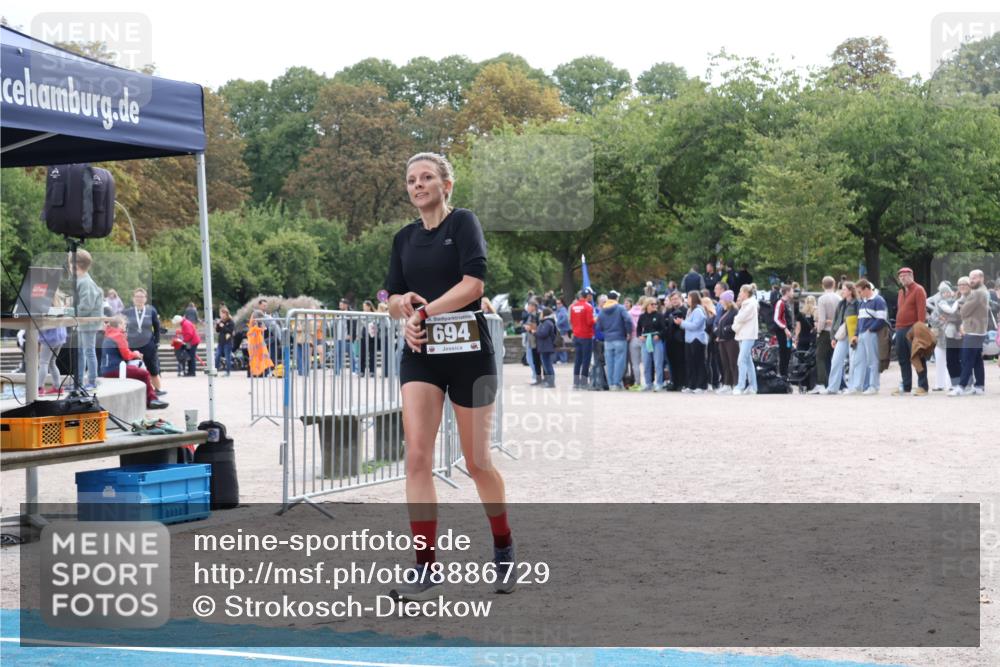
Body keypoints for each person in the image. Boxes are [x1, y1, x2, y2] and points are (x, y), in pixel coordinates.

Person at [384, 151, 513, 601]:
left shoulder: (464, 224)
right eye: (410, 180)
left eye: (426, 178)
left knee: (477, 462)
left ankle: (503, 547)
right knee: (417, 457)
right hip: (421, 354)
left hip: (469, 352)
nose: (417, 185)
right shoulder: (403, 238)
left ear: (446, 185)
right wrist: (400, 305)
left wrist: (423, 310)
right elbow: (390, 293)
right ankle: (425, 566)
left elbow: (473, 286)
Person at [100, 315, 169, 409]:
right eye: (124, 324)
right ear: (119, 324)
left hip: (105, 370)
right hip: (115, 369)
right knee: (144, 374)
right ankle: (152, 400)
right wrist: (136, 354)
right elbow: (127, 355)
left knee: (136, 371)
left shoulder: (108, 334)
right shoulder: (118, 335)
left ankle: (147, 399)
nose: (125, 326)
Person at [70, 249, 104, 390]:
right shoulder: (81, 281)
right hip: (83, 322)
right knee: (81, 352)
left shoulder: (85, 282)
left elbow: (86, 305)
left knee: (88, 351)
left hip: (89, 323)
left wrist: (71, 310)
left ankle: (92, 381)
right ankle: (78, 382)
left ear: (76, 265)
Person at [892, 267, 929, 396]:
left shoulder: (918, 290)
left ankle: (923, 386)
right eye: (901, 276)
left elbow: (921, 311)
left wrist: (919, 329)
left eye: (906, 276)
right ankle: (906, 385)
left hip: (913, 328)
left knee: (917, 357)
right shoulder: (901, 292)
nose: (903, 278)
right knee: (902, 358)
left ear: (912, 276)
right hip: (900, 328)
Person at [122, 288, 165, 396]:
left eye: (141, 297)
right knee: (132, 368)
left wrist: (157, 342)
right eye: (137, 297)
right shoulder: (127, 312)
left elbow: (156, 326)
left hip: (148, 345)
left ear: (145, 299)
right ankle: (132, 390)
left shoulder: (151, 311)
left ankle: (158, 390)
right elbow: (121, 326)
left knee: (152, 368)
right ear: (133, 298)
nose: (139, 299)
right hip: (132, 345)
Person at [848, 279, 887, 395]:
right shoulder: (862, 302)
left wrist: (870, 329)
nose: (859, 295)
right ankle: (857, 386)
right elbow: (860, 320)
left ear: (867, 288)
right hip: (862, 334)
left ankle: (874, 386)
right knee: (859, 361)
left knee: (872, 360)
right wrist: (856, 334)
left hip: (871, 334)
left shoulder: (878, 300)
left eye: (860, 292)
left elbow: (882, 319)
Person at [953, 269, 989, 395]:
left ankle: (961, 387)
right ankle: (979, 386)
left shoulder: (977, 293)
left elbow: (964, 312)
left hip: (973, 331)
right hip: (979, 331)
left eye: (974, 278)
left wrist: (960, 305)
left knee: (966, 359)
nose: (971, 280)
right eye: (970, 278)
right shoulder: (982, 291)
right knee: (977, 360)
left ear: (982, 278)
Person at [824, 281, 859, 394]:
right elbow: (836, 321)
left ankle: (853, 387)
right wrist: (833, 337)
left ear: (850, 291)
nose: (842, 291)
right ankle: (832, 388)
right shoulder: (841, 304)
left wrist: (857, 335)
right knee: (836, 360)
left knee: (854, 362)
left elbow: (860, 320)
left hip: (852, 335)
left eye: (844, 289)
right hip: (842, 335)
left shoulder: (857, 303)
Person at [597, 290, 633, 390]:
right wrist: (628, 332)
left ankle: (611, 383)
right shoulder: (620, 308)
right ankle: (617, 383)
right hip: (620, 338)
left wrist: (605, 331)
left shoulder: (603, 309)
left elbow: (598, 326)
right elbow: (628, 320)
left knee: (609, 363)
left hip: (608, 340)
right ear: (617, 298)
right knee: (619, 362)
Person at [675, 291, 708, 393]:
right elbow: (688, 324)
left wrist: (682, 323)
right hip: (689, 340)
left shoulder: (698, 310)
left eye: (688, 298)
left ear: (693, 299)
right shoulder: (690, 310)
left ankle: (701, 386)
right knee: (690, 363)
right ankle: (692, 385)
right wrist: (681, 323)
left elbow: (695, 325)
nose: (687, 300)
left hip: (697, 339)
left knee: (699, 363)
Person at [812, 276, 841, 394]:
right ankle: (834, 383)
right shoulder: (839, 298)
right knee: (834, 358)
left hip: (825, 331)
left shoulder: (822, 299)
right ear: (834, 285)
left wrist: (818, 330)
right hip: (837, 331)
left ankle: (821, 383)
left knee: (820, 357)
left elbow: (822, 319)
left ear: (822, 285)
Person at [38, 292, 68, 394]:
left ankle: (39, 388)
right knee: (52, 362)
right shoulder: (59, 302)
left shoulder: (45, 304)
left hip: (49, 338)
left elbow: (41, 320)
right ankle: (57, 387)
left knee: (43, 363)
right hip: (60, 337)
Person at [938, 279, 965, 391]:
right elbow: (948, 314)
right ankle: (956, 383)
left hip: (962, 332)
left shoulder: (962, 301)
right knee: (952, 360)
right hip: (951, 333)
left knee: (962, 359)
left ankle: (963, 383)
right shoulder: (945, 302)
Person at [732, 284, 759, 395]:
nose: (739, 294)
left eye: (741, 292)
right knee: (747, 361)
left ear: (746, 293)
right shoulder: (747, 303)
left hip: (748, 335)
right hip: (743, 334)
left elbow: (741, 317)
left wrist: (736, 318)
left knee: (741, 360)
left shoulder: (750, 304)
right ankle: (753, 386)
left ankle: (741, 385)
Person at [927, 281, 955, 392]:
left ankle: (951, 384)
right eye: (943, 293)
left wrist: (947, 320)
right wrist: (941, 320)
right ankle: (940, 384)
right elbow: (932, 321)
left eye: (947, 292)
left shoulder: (954, 304)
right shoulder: (937, 307)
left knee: (951, 361)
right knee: (939, 361)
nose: (945, 294)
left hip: (951, 337)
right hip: (939, 338)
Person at [636, 296, 666, 391]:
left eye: (655, 304)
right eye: (652, 304)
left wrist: (659, 336)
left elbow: (664, 329)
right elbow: (638, 329)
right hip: (645, 341)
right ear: (647, 305)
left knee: (658, 363)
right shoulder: (642, 316)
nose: (654, 306)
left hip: (656, 340)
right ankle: (648, 383)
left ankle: (659, 383)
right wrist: (639, 335)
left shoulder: (659, 315)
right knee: (646, 363)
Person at [569, 289, 596, 390]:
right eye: (591, 295)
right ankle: (584, 382)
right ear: (587, 296)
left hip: (577, 335)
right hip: (586, 336)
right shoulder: (588, 306)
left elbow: (571, 320)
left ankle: (576, 382)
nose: (591, 297)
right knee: (586, 360)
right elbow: (590, 322)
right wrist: (596, 320)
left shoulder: (573, 306)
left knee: (578, 359)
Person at [663, 291, 687, 390]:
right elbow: (664, 324)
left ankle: (683, 383)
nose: (674, 301)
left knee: (681, 363)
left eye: (676, 299)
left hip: (681, 341)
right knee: (672, 363)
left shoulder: (685, 310)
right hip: (670, 341)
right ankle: (675, 383)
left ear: (681, 299)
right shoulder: (668, 311)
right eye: (672, 299)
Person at [715, 290, 738, 394]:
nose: (720, 302)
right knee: (725, 364)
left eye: (722, 299)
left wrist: (725, 329)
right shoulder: (725, 310)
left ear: (727, 300)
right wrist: (718, 333)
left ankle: (736, 384)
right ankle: (727, 384)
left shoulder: (734, 311)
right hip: (722, 340)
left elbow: (735, 325)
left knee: (733, 363)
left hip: (731, 341)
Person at [534, 306, 558, 388]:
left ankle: (551, 382)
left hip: (546, 346)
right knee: (546, 364)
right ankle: (549, 381)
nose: (540, 315)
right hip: (544, 346)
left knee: (547, 365)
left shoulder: (547, 322)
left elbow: (543, 333)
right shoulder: (546, 322)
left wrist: (535, 332)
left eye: (541, 313)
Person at [521, 300, 541, 384]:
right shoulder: (530, 315)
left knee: (532, 360)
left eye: (529, 306)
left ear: (533, 307)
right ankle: (535, 376)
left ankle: (536, 377)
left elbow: (534, 328)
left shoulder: (535, 315)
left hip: (533, 341)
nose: (527, 308)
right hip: (530, 340)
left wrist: (527, 327)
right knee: (530, 360)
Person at [626, 296, 643, 388]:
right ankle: (649, 383)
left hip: (633, 339)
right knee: (647, 363)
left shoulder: (629, 313)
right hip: (643, 338)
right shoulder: (644, 313)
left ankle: (637, 383)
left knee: (635, 363)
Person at [359, 300, 378, 377]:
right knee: (362, 353)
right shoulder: (361, 314)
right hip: (364, 334)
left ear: (369, 307)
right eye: (363, 306)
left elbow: (376, 324)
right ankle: (361, 371)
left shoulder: (374, 314)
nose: (364, 308)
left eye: (365, 306)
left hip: (372, 335)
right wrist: (358, 334)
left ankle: (372, 371)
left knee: (372, 353)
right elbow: (359, 325)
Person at [215, 307, 235, 376]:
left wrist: (223, 326)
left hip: (228, 342)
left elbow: (230, 331)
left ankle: (228, 372)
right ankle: (215, 370)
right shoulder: (221, 321)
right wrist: (218, 324)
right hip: (220, 342)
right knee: (217, 356)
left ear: (226, 314)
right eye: (221, 314)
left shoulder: (231, 322)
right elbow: (217, 330)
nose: (222, 315)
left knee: (227, 357)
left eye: (223, 314)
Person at [554, 297, 571, 364]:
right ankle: (561, 359)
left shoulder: (563, 310)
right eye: (557, 303)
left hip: (562, 330)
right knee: (560, 344)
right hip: (560, 330)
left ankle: (563, 360)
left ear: (562, 303)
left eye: (559, 303)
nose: (557, 305)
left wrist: (557, 324)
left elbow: (565, 319)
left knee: (562, 345)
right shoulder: (559, 310)